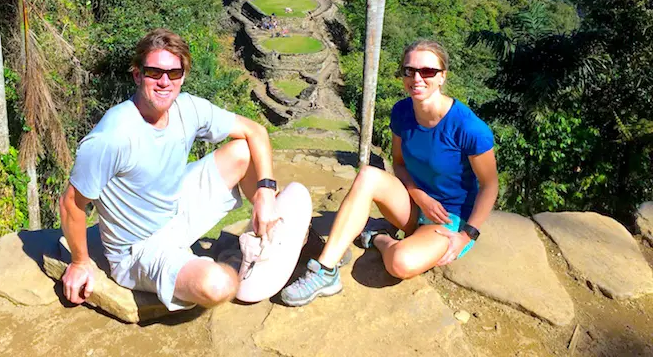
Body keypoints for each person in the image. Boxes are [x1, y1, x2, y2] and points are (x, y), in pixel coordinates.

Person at [59, 28, 279, 311]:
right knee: (217, 286)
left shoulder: (187, 108)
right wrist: (80, 262)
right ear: (138, 75)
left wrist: (266, 193)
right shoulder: (113, 136)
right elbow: (70, 203)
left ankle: (267, 231)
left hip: (176, 209)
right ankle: (238, 263)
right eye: (154, 72)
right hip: (139, 248)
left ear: (183, 77)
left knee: (243, 152)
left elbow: (255, 130)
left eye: (173, 73)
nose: (164, 81)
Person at [281, 39, 498, 307]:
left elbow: (490, 186)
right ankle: (325, 270)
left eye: (427, 71)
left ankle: (379, 237)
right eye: (410, 71)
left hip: (449, 219)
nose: (417, 78)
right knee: (368, 175)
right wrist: (421, 198)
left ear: (442, 77)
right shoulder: (402, 112)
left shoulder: (468, 128)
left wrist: (467, 235)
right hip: (414, 205)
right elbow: (399, 165)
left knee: (400, 263)